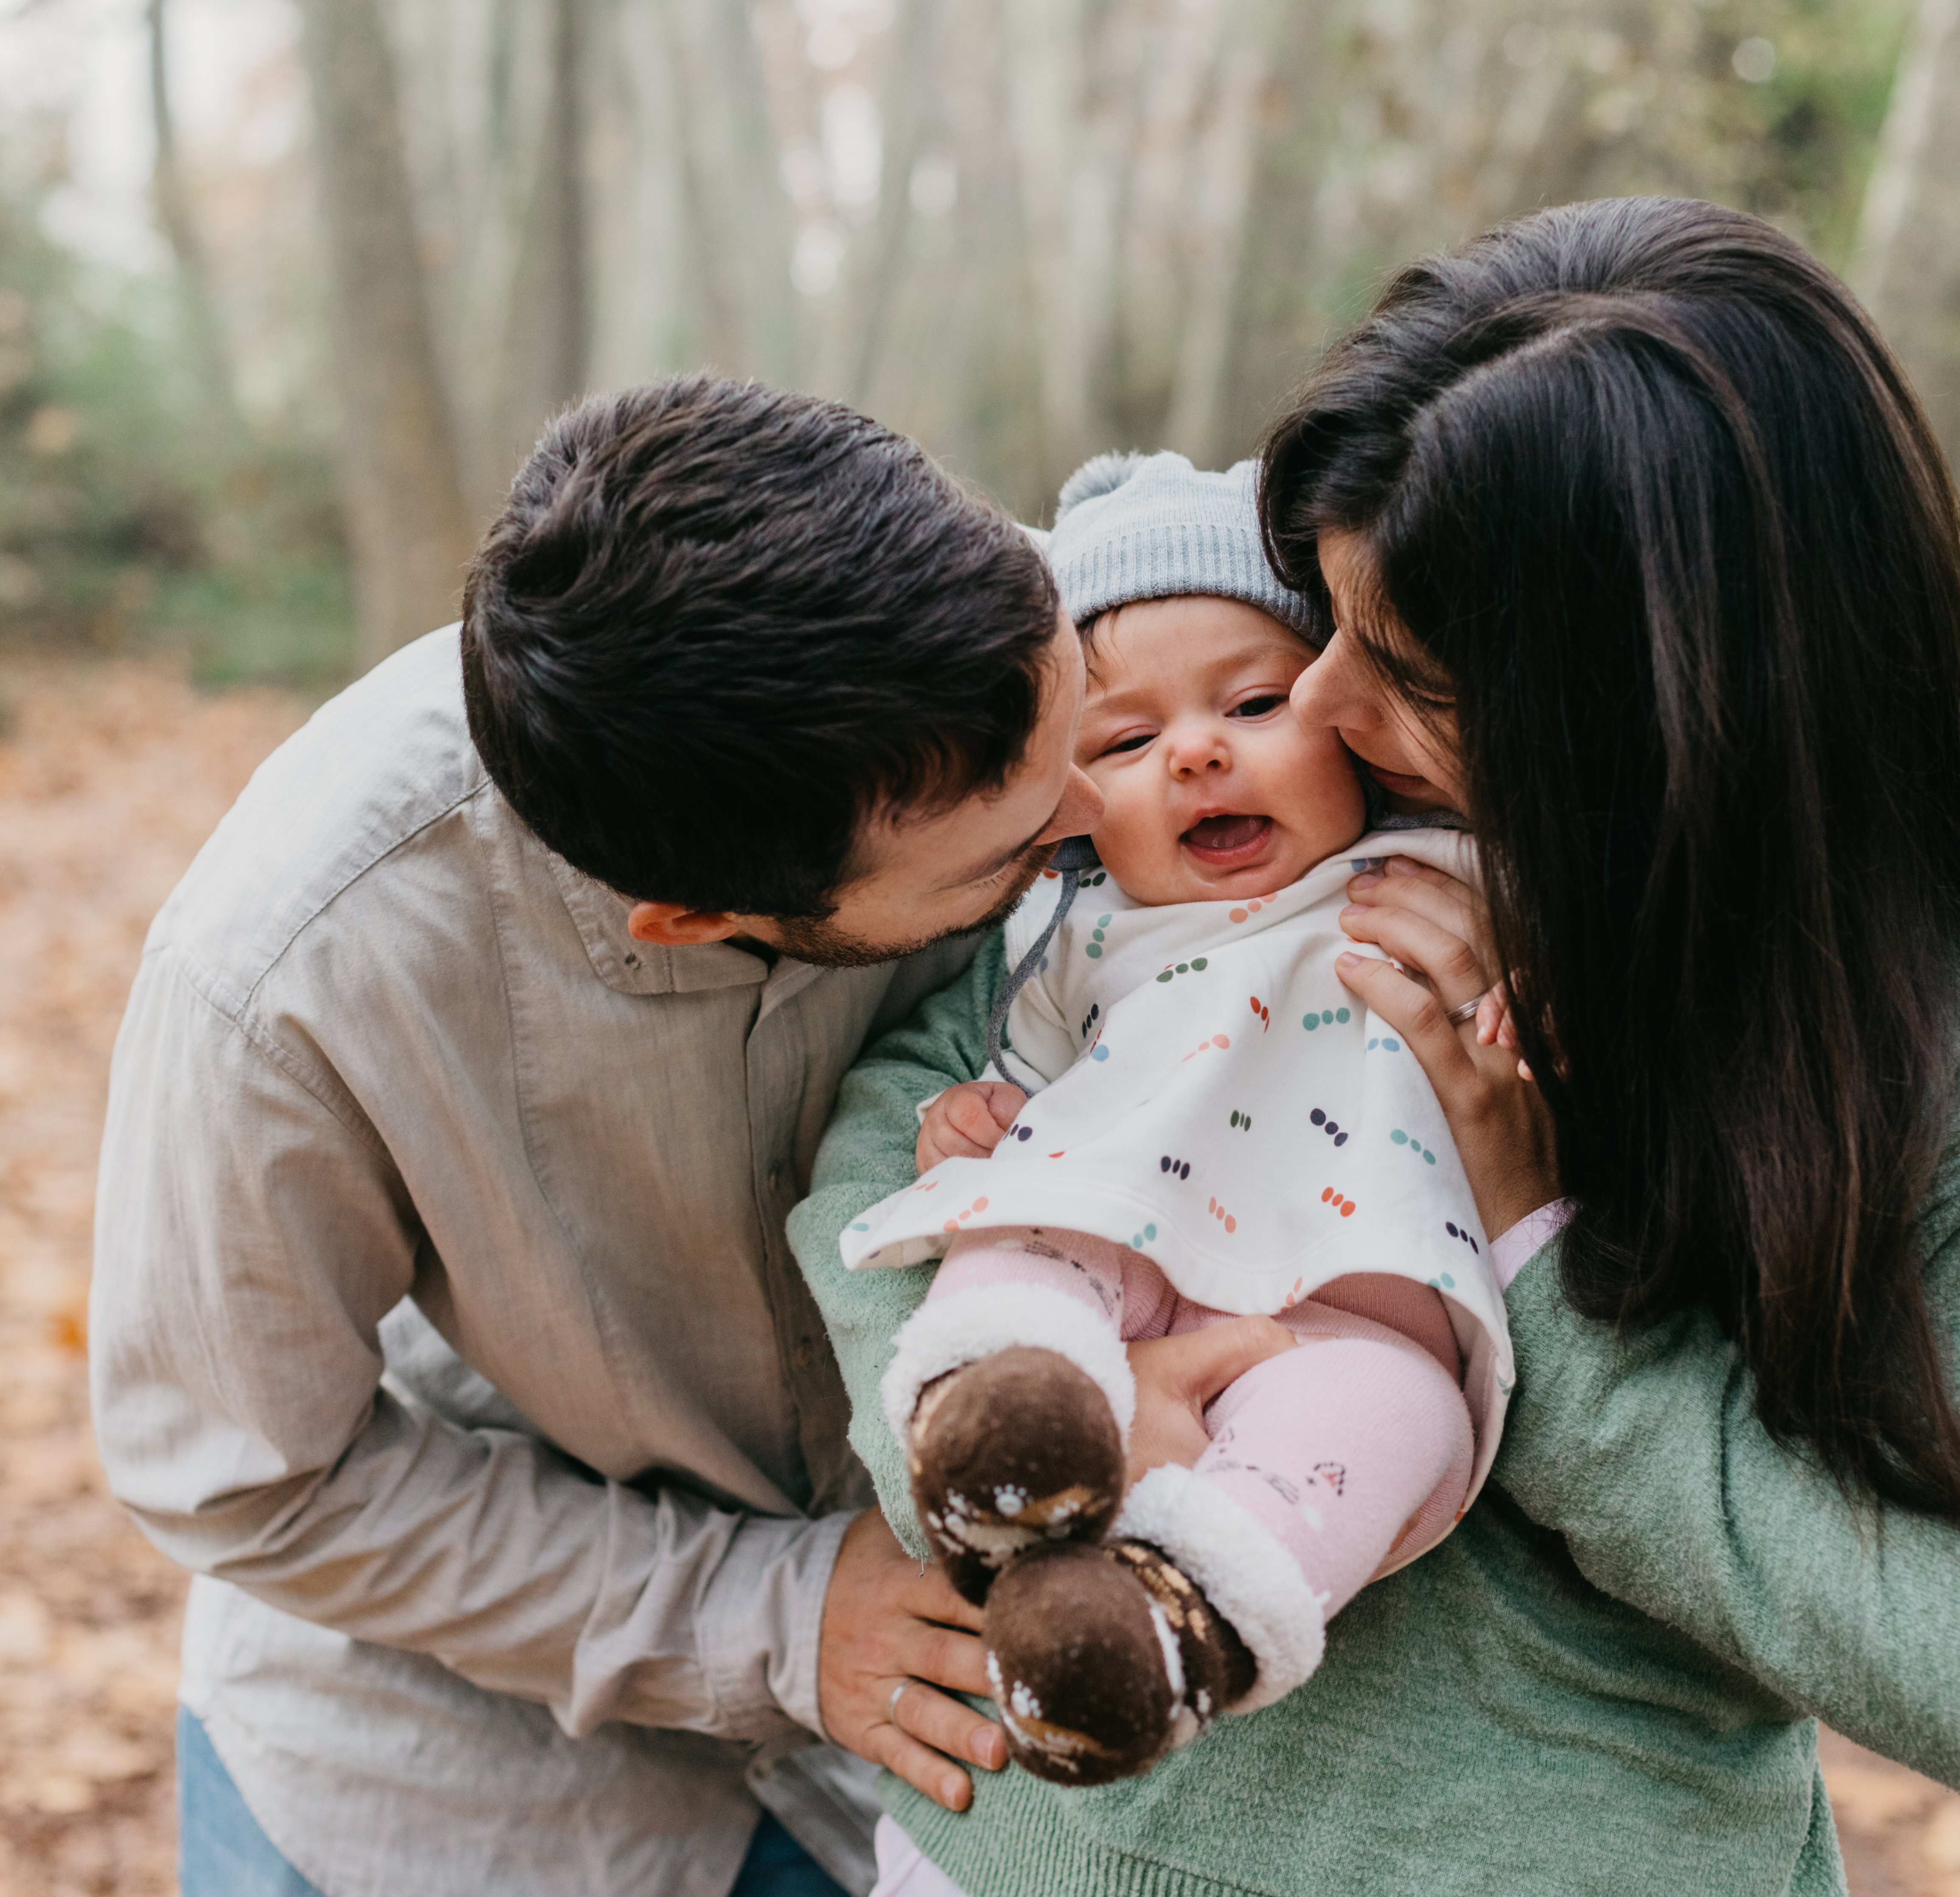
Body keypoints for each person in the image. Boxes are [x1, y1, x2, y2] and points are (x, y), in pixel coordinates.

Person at [786, 197, 1960, 1897]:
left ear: (1663, 708)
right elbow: (905, 1101)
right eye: (1325, 624)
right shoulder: (1278, 814)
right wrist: (1016, 1462)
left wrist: (1528, 1254)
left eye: (1409, 670)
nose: (1318, 704)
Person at [92, 374, 1179, 1897]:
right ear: (691, 919)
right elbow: (246, 1477)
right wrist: (772, 1615)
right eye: (1007, 852)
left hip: (955, 1741)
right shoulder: (293, 974)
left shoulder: (1042, 619)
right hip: (464, 1770)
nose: (1100, 814)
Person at [839, 452, 1509, 1787]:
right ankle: (1001, 1417)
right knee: (1028, 1225)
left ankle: (1168, 1622)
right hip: (1132, 1231)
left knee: (1404, 1415)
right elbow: (1026, 1084)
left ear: (1346, 719)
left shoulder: (1443, 870)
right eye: (1127, 742)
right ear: (1077, 805)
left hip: (1353, 1298)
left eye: (1254, 704)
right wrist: (978, 1122)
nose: (1198, 752)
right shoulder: (1075, 928)